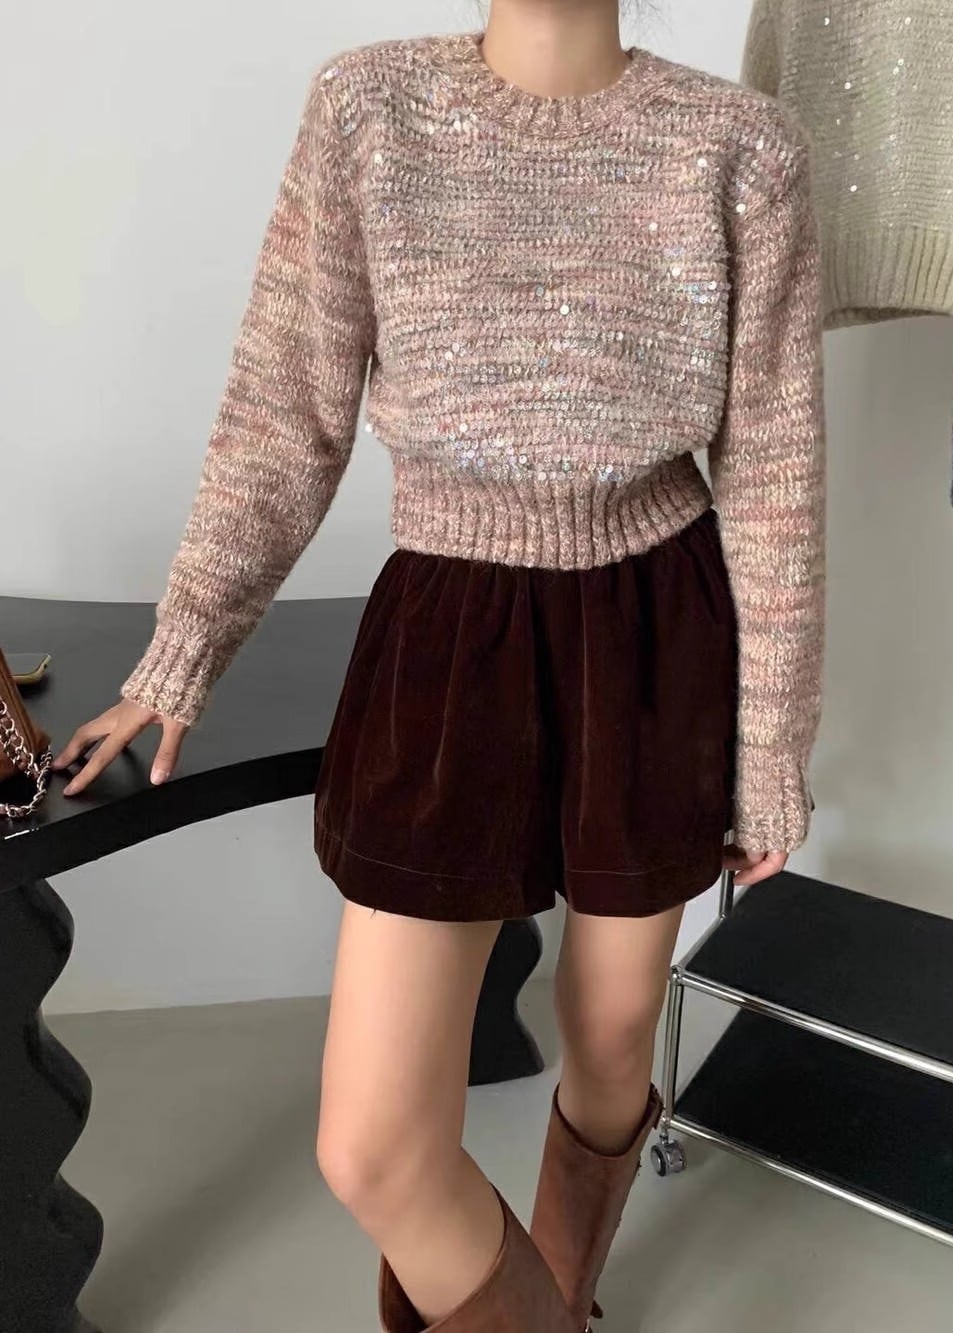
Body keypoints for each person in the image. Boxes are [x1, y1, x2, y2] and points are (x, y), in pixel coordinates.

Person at [51, 1, 826, 1328]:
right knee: (373, 1143)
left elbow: (771, 472)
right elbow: (286, 407)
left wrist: (771, 753)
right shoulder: (370, 108)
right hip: (451, 640)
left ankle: (560, 1293)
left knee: (608, 1043)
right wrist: (184, 646)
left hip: (658, 638)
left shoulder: (741, 145)